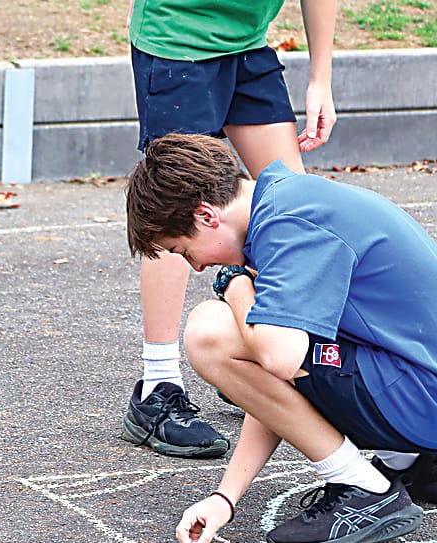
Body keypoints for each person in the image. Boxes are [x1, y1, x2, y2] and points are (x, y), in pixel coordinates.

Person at [125, 133, 437, 543]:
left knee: (210, 331)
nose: (197, 265)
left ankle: (365, 489)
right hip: (428, 389)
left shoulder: (288, 225)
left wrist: (236, 282)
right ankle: (408, 460)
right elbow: (274, 386)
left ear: (206, 216)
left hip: (423, 399)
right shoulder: (282, 199)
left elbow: (278, 359)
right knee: (260, 334)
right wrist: (226, 498)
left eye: (182, 251)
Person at [122, 0, 337, 458]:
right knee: (175, 211)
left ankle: (253, 362)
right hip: (177, 41)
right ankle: (157, 387)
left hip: (247, 43)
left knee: (293, 208)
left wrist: (321, 78)